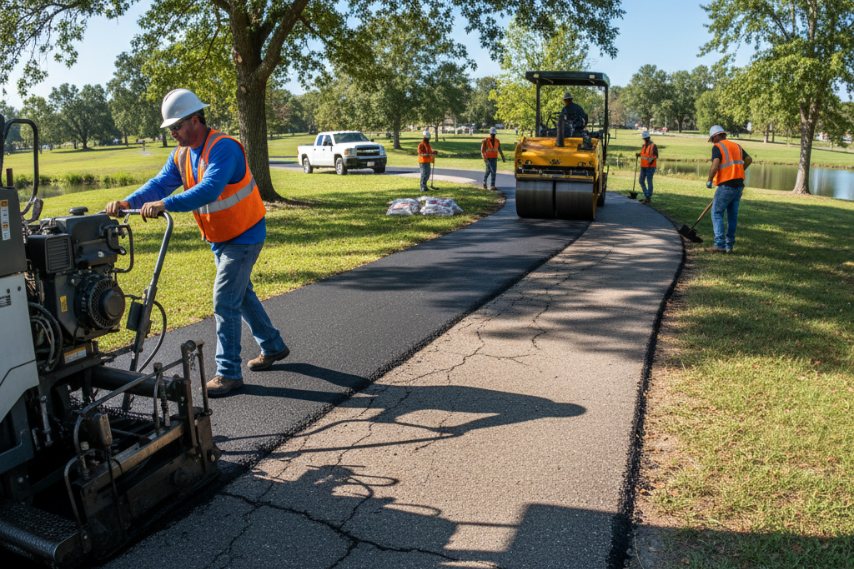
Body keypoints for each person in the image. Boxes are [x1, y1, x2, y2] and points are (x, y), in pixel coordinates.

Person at [105, 88, 289, 397]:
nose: (173, 133)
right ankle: (273, 345)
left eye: (177, 126)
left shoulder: (223, 148)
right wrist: (128, 202)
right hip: (221, 237)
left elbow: (209, 189)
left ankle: (228, 373)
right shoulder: (181, 154)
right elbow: (160, 184)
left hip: (245, 235)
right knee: (241, 295)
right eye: (171, 128)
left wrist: (165, 204)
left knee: (225, 299)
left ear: (195, 120)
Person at [705, 125, 753, 254]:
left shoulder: (718, 147)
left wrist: (709, 179)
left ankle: (719, 245)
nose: (712, 142)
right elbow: (749, 159)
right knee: (732, 216)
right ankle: (729, 246)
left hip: (726, 186)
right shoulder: (736, 146)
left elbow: (715, 165)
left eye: (712, 139)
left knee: (716, 213)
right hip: (738, 186)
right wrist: (739, 171)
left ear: (716, 136)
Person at [636, 130, 658, 204]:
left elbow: (656, 155)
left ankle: (648, 198)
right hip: (643, 167)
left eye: (646, 138)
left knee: (649, 182)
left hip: (650, 167)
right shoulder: (644, 145)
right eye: (644, 138)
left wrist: (651, 160)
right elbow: (643, 154)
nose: (645, 139)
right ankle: (647, 196)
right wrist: (638, 154)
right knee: (641, 181)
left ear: (648, 138)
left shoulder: (653, 146)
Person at [480, 127, 506, 191]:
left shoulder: (497, 141)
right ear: (490, 134)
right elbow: (482, 150)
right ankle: (488, 184)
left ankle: (488, 184)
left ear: (495, 134)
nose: (493, 135)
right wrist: (484, 158)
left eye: (494, 134)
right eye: (492, 134)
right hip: (487, 158)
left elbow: (499, 149)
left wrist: (503, 157)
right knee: (491, 171)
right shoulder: (485, 141)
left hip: (494, 158)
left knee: (491, 171)